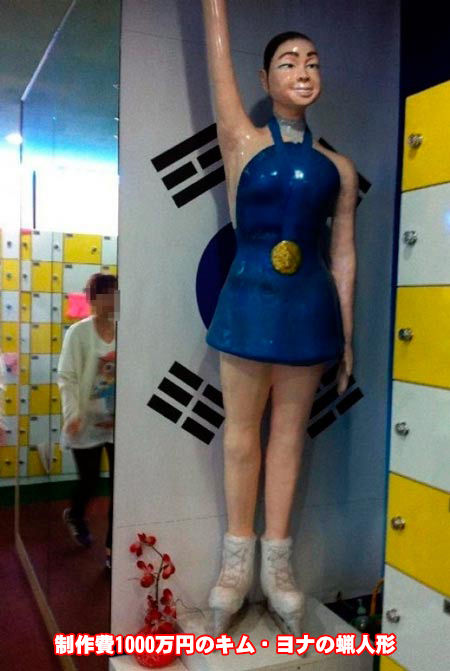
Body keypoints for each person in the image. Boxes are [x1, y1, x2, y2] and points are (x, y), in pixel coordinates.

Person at [201, 0, 357, 636]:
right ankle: (235, 566)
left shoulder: (339, 169)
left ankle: (279, 568)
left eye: (313, 62)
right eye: (289, 62)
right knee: (241, 436)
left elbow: (342, 255)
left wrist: (347, 337)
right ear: (264, 79)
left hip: (309, 311)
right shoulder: (240, 141)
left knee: (290, 437)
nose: (304, 71)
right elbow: (217, 60)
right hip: (245, 303)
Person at [57, 273, 118, 568]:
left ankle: (112, 550)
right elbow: (67, 376)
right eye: (107, 294)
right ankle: (76, 514)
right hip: (86, 421)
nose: (113, 299)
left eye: (116, 293)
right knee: (90, 479)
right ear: (94, 299)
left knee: (120, 487)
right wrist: (72, 415)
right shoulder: (78, 333)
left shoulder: (126, 331)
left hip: (118, 424)